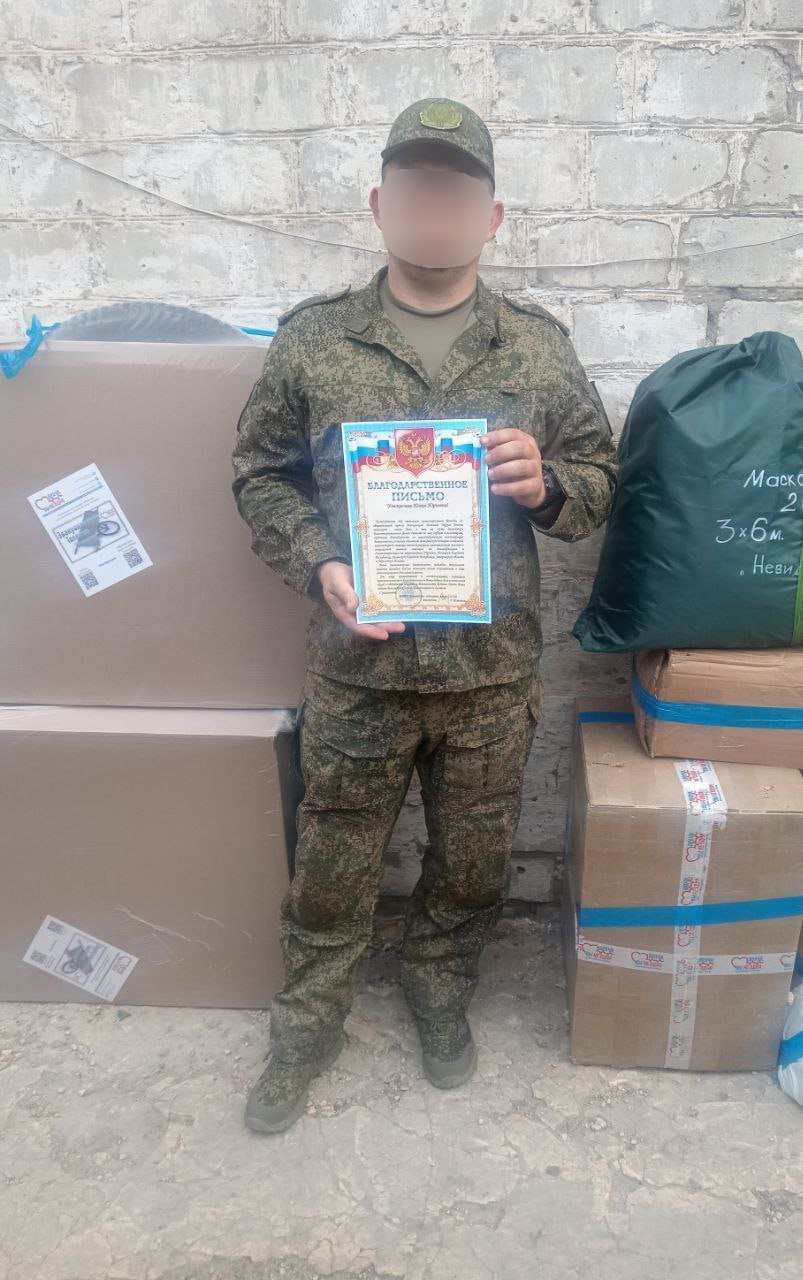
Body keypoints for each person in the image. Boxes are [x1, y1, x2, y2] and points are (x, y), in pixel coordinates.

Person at [232, 97, 617, 1134]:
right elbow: (260, 475)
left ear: (491, 217)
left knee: (475, 860)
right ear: (380, 205)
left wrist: (546, 483)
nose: (434, 209)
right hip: (358, 669)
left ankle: (439, 986)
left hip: (489, 675)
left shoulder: (535, 349)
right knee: (333, 860)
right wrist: (317, 561)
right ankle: (307, 1023)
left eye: (456, 193)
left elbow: (600, 481)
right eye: (415, 190)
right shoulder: (316, 341)